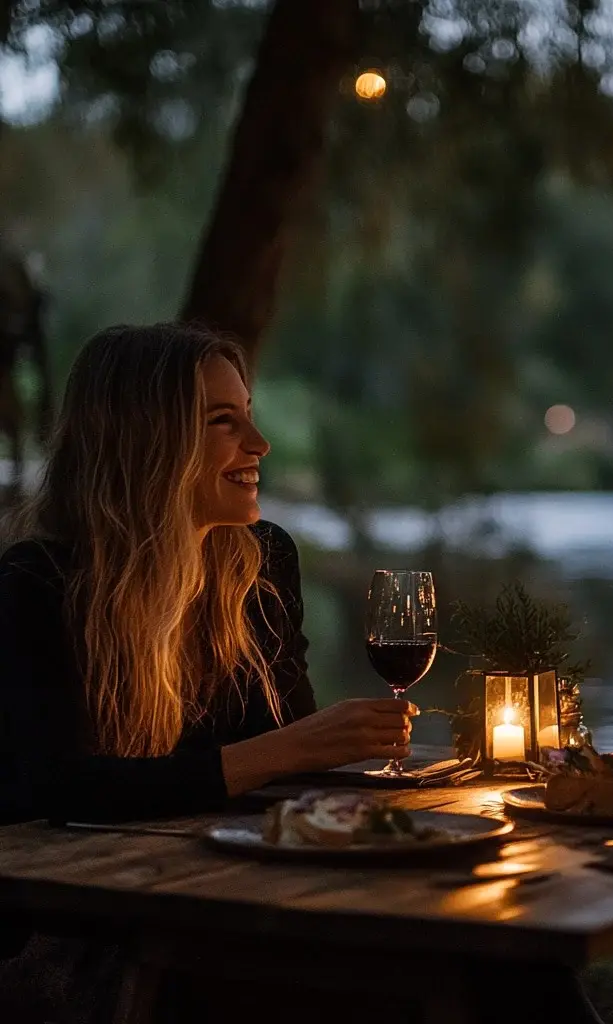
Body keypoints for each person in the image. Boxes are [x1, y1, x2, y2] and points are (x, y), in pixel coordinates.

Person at [0, 322, 415, 1020]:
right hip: (79, 933)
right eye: (225, 422)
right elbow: (52, 784)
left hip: (223, 894)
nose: (260, 444)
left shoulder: (259, 564)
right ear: (145, 442)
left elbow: (281, 757)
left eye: (249, 415)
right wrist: (278, 753)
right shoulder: (35, 587)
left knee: (495, 963)